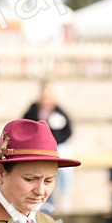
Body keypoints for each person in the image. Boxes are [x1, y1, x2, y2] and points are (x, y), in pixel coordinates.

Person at [22, 80, 73, 212]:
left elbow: (68, 131)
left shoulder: (59, 111)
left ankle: (64, 194)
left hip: (56, 147)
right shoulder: (33, 110)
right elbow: (23, 126)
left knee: (64, 167)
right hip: (37, 148)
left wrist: (54, 143)